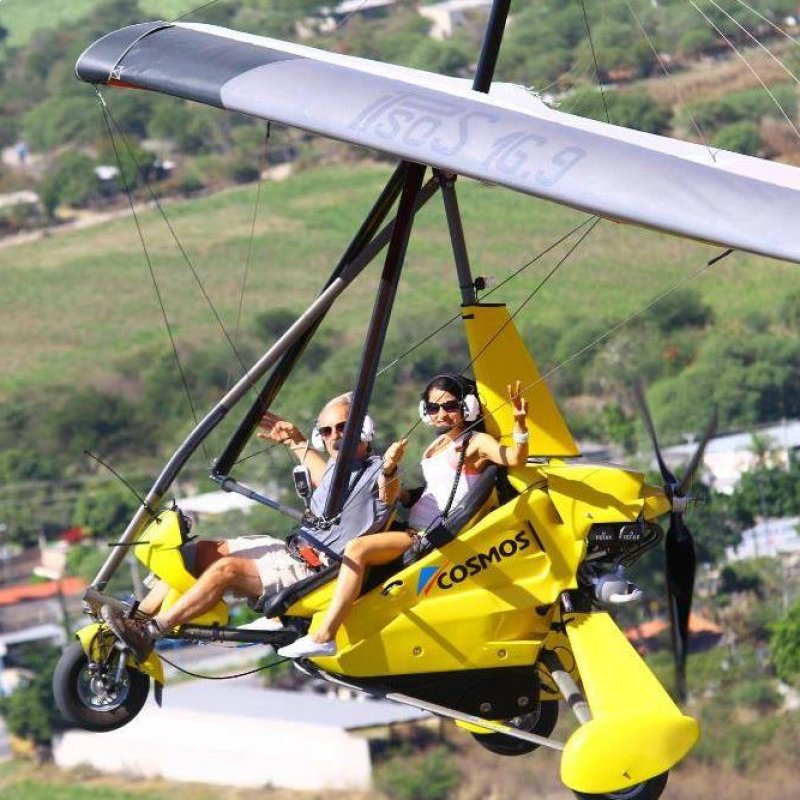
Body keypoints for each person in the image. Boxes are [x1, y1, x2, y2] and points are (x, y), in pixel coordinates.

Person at [101, 392, 400, 661]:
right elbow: (318, 467)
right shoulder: (335, 471)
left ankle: (151, 632)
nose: (335, 436)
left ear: (363, 430)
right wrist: (294, 439)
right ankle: (137, 618)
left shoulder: (376, 470)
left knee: (225, 570)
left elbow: (389, 492)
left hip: (311, 570)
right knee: (198, 553)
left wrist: (389, 470)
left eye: (344, 427)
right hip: (289, 550)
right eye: (326, 430)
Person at [278, 374, 529, 659]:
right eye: (434, 409)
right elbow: (428, 492)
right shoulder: (435, 447)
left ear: (467, 407)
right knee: (348, 533)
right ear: (425, 412)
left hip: (421, 537)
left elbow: (514, 458)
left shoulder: (475, 442)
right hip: (408, 524)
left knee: (357, 549)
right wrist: (391, 482)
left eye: (450, 406)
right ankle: (281, 616)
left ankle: (325, 636)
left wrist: (520, 424)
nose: (441, 414)